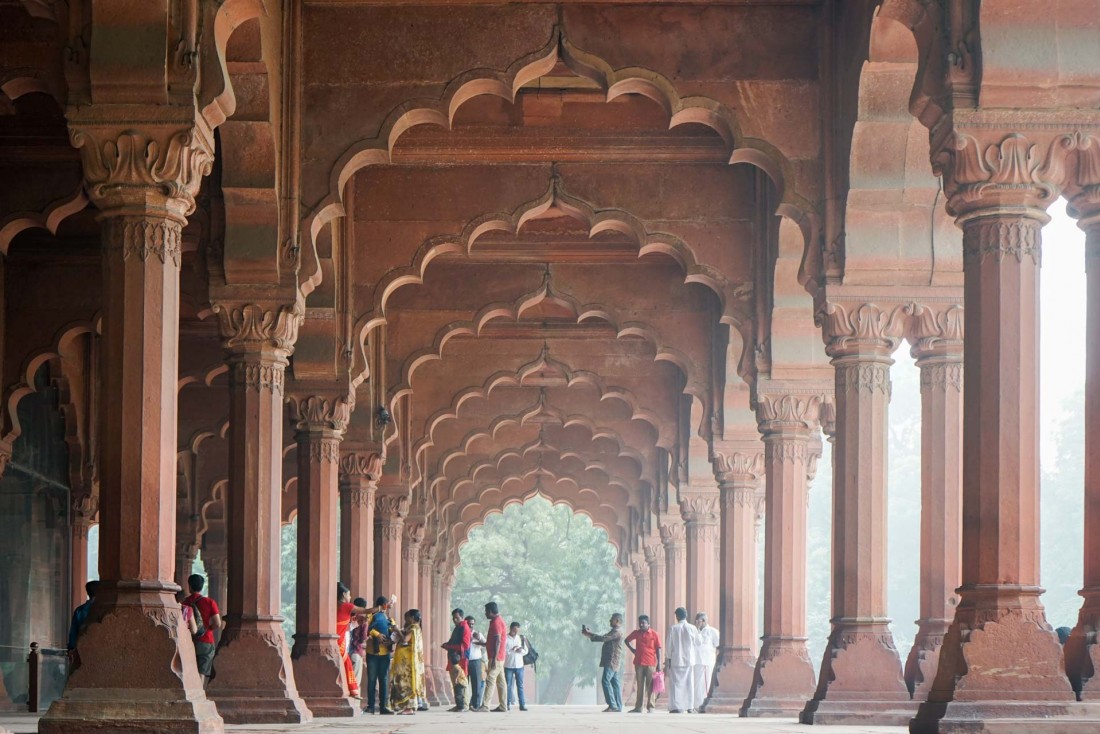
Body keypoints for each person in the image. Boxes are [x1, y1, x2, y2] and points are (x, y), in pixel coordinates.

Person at [182, 574, 223, 687]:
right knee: (201, 672)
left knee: (188, 669)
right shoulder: (210, 602)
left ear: (189, 586)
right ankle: (199, 695)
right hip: (206, 640)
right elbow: (217, 623)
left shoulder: (184, 603)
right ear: (201, 586)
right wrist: (207, 629)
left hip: (188, 640)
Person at [582, 612, 624, 712]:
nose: (610, 620)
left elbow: (604, 638)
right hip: (613, 660)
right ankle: (618, 706)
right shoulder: (614, 631)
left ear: (617, 621)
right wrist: (590, 634)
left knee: (605, 681)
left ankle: (613, 705)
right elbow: (603, 637)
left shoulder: (617, 632)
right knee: (615, 683)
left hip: (611, 661)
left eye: (612, 619)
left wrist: (589, 635)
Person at [336, 584, 372, 699]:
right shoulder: (346, 607)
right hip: (354, 650)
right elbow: (362, 638)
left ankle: (353, 692)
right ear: (343, 595)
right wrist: (381, 608)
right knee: (352, 674)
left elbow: (349, 627)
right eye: (348, 594)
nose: (350, 596)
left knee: (347, 668)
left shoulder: (347, 614)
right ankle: (353, 693)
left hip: (348, 647)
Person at [389, 608, 425, 715]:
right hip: (406, 661)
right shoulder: (413, 627)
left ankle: (409, 707)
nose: (405, 620)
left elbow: (405, 639)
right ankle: (407, 707)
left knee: (406, 683)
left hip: (408, 663)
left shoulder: (414, 628)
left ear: (412, 618)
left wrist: (397, 630)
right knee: (404, 683)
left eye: (407, 618)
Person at [365, 594, 397, 714]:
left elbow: (394, 632)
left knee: (383, 679)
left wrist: (391, 638)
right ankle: (371, 706)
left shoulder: (389, 619)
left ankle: (383, 706)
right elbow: (366, 628)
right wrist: (377, 634)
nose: (387, 607)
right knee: (372, 679)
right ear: (382, 605)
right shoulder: (371, 616)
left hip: (385, 653)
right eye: (386, 605)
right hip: (372, 652)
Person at [624, 614, 661, 713]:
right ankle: (639, 707)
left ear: (648, 624)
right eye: (640, 623)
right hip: (639, 663)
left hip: (651, 663)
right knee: (640, 686)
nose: (641, 625)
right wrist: (633, 650)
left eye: (643, 623)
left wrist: (659, 664)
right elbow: (626, 640)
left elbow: (658, 649)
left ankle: (651, 706)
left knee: (651, 686)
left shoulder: (654, 634)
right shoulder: (636, 633)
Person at [666, 607, 699, 713]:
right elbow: (698, 642)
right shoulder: (692, 628)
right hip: (689, 659)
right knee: (689, 683)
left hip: (676, 659)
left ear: (677, 616)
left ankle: (676, 707)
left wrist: (668, 658)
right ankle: (690, 707)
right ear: (686, 615)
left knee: (676, 684)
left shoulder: (673, 628)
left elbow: (669, 646)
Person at [477, 601, 508, 712]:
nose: (485, 614)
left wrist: (494, 659)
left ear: (490, 611)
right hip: (499, 656)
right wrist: (480, 643)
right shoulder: (496, 621)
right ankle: (503, 706)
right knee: (501, 681)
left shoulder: (496, 623)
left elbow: (497, 641)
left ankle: (485, 705)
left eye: (486, 611)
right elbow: (492, 641)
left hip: (497, 657)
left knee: (490, 679)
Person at [442, 608, 471, 711]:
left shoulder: (464, 627)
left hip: (460, 659)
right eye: (453, 618)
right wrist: (447, 645)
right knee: (455, 682)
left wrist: (449, 646)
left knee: (462, 682)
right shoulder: (458, 627)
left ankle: (465, 705)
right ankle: (459, 704)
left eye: (457, 618)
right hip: (454, 658)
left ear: (462, 617)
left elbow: (465, 646)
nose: (455, 620)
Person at [67, 580, 100, 670]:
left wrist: (71, 648)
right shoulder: (101, 610)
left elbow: (73, 633)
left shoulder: (79, 611)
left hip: (81, 650)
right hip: (98, 650)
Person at [692, 611, 719, 711]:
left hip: (706, 662)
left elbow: (718, 645)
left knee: (704, 685)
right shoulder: (694, 631)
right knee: (696, 685)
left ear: (703, 621)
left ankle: (702, 704)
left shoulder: (712, 631)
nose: (696, 622)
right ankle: (695, 705)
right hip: (696, 661)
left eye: (698, 620)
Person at [349, 597, 371, 697]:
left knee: (348, 680)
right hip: (357, 651)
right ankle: (355, 705)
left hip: (346, 651)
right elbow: (363, 638)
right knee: (355, 681)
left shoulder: (350, 617)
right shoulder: (363, 619)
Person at [504, 621, 529, 711]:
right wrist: (512, 650)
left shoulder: (521, 638)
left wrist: (520, 650)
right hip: (508, 665)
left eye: (517, 631)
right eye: (515, 630)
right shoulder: (505, 638)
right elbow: (503, 652)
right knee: (508, 685)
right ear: (511, 629)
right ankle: (506, 704)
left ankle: (522, 705)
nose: (516, 632)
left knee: (520, 685)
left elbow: (526, 651)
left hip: (519, 665)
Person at [465, 615, 486, 711]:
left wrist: (478, 639)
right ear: (465, 623)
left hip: (475, 661)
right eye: (469, 624)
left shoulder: (478, 634)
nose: (471, 626)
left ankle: (475, 705)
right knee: (464, 683)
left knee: (476, 684)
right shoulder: (462, 634)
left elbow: (485, 644)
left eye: (472, 624)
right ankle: (464, 704)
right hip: (464, 661)